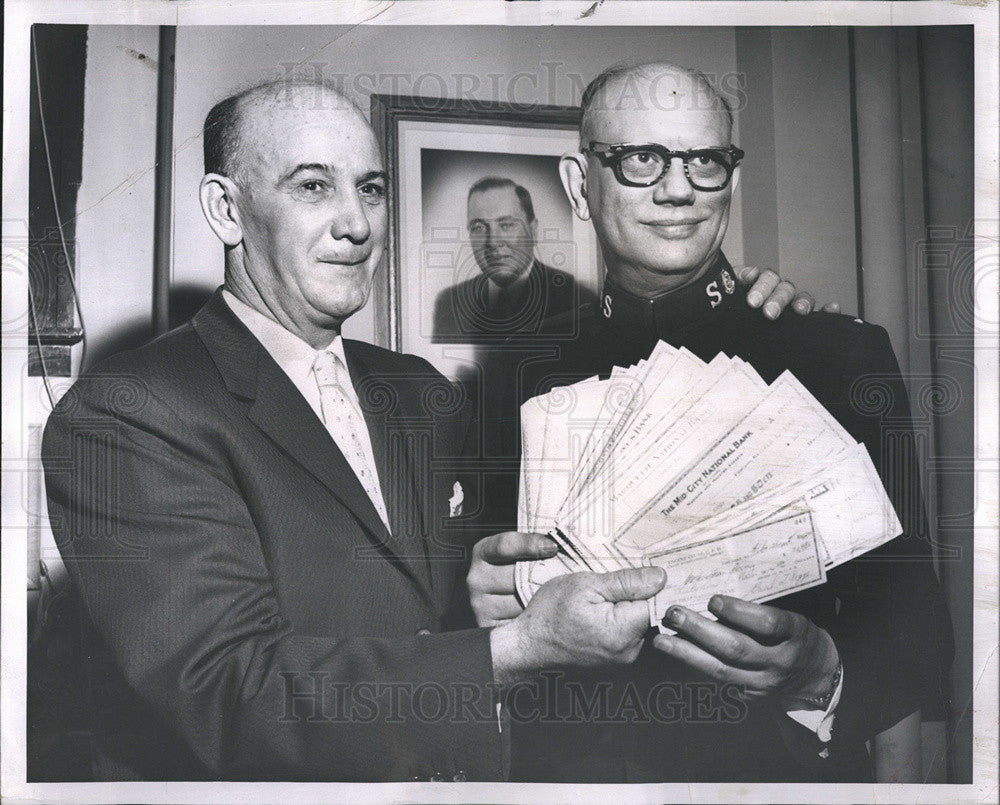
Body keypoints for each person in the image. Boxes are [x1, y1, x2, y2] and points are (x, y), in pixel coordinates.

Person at [40, 79, 694, 782]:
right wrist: (513, 648)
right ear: (226, 210)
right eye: (314, 187)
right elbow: (229, 690)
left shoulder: (418, 391)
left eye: (372, 189)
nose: (357, 224)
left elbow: (416, 608)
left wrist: (483, 600)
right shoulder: (129, 408)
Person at [467, 62, 953, 783]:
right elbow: (477, 631)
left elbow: (912, 630)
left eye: (706, 160)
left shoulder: (837, 354)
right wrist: (481, 606)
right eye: (641, 159)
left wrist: (823, 671)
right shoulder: (515, 379)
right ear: (578, 185)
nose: (678, 188)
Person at [432, 176, 597, 342]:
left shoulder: (577, 299)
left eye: (506, 225)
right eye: (479, 227)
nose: (493, 242)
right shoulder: (449, 304)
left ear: (533, 231)